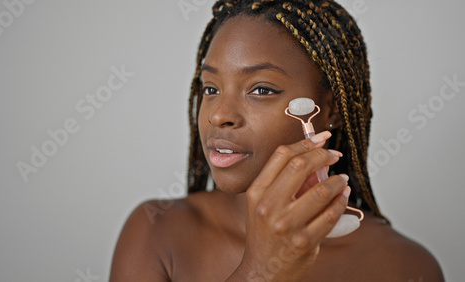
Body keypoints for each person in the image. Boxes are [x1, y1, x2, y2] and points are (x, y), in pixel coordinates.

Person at [110, 0, 444, 281]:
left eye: (261, 89)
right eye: (210, 89)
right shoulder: (156, 231)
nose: (218, 115)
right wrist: (260, 271)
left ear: (329, 107)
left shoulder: (406, 266)